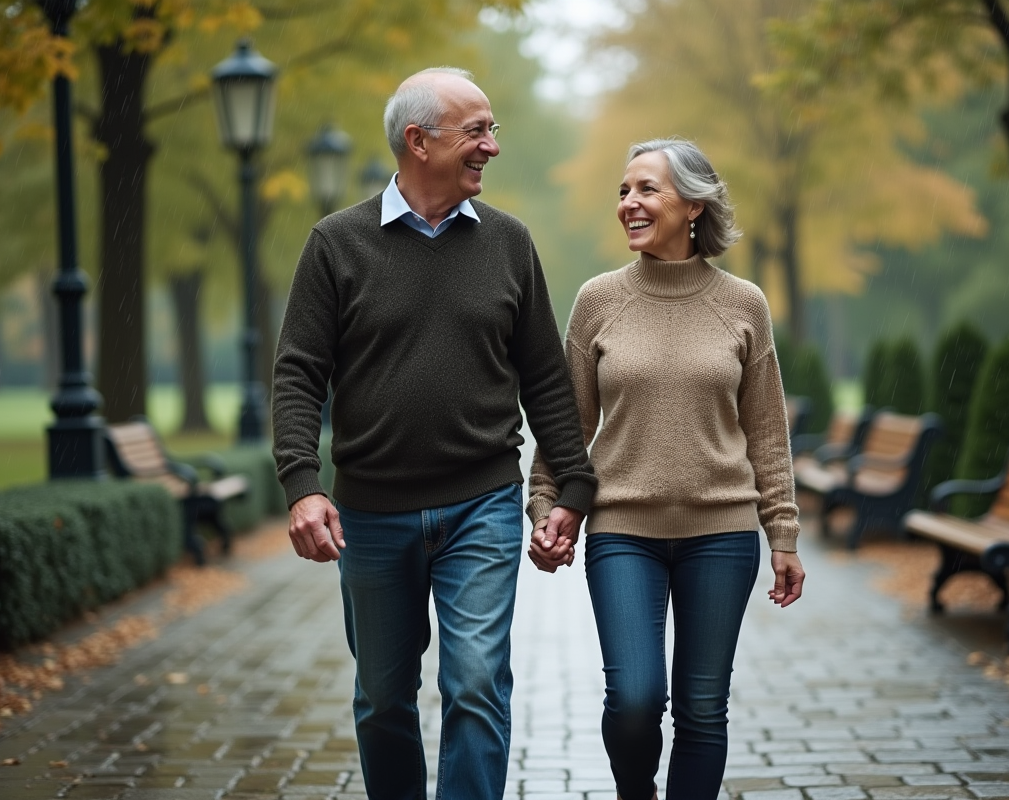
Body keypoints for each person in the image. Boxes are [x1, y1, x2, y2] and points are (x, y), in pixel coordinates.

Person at [271, 67, 596, 800]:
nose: (492, 147)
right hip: (371, 514)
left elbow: (545, 377)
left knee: (476, 683)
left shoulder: (509, 243)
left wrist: (571, 489)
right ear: (419, 141)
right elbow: (297, 374)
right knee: (383, 699)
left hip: (480, 501)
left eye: (492, 129)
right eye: (476, 131)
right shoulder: (336, 244)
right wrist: (302, 485)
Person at [527, 138, 805, 800]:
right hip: (623, 530)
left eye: (647, 189)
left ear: (693, 206)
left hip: (723, 534)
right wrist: (545, 506)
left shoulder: (744, 305)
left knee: (703, 710)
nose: (629, 203)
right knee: (634, 696)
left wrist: (783, 534)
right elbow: (569, 426)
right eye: (624, 191)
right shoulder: (597, 300)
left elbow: (766, 429)